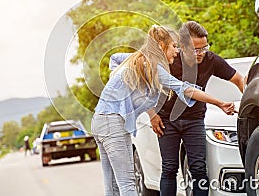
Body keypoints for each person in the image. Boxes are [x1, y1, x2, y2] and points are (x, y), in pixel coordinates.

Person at [91, 25, 235, 196]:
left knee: (112, 184)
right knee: (127, 183)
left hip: (100, 121)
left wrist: (117, 84)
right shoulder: (154, 67)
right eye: (174, 46)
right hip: (112, 123)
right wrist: (220, 103)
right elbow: (186, 89)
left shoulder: (139, 60)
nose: (177, 51)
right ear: (161, 46)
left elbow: (114, 58)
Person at [149, 21, 244, 196]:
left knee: (199, 168)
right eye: (196, 49)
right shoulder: (170, 57)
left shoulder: (211, 60)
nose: (201, 53)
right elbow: (146, 87)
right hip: (166, 121)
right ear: (182, 46)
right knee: (169, 167)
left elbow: (239, 79)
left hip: (195, 120)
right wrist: (152, 114)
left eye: (204, 48)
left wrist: (248, 106)